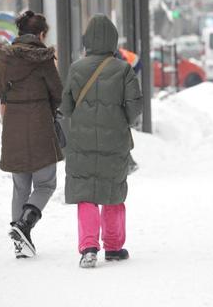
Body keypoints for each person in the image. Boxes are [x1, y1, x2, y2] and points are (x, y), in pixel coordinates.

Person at [61, 14, 143, 268]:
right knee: (113, 190)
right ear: (112, 40)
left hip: (81, 140)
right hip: (114, 140)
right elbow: (135, 105)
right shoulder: (123, 69)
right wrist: (122, 120)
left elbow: (66, 105)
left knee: (86, 192)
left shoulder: (76, 68)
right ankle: (114, 246)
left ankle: (88, 247)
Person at [0, 11, 63, 258]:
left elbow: (3, 91)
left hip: (13, 125)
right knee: (46, 183)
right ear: (41, 34)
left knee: (20, 186)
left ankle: (20, 244)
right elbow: (58, 92)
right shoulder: (44, 59)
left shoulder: (4, 59)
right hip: (39, 126)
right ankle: (24, 225)